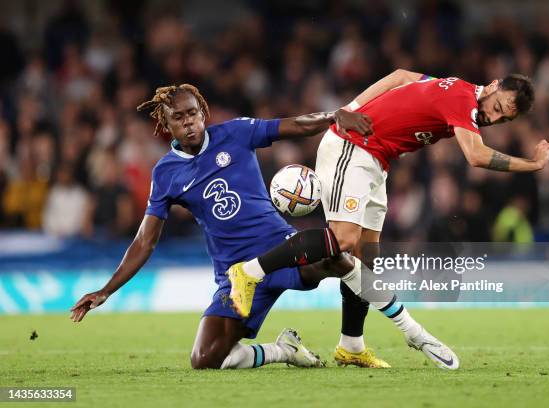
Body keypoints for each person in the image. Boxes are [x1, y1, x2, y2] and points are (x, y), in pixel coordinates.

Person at [228, 70, 549, 370]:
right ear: (492, 87)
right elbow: (475, 156)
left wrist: (353, 107)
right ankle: (249, 272)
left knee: (366, 260)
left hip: (377, 160)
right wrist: (532, 165)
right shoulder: (462, 99)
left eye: (503, 118)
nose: (493, 116)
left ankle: (351, 346)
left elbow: (402, 76)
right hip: (352, 148)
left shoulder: (453, 89)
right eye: (498, 106)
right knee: (343, 241)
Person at [70, 83, 375, 370]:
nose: (189, 122)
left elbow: (295, 124)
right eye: (179, 117)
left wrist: (333, 116)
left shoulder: (237, 132)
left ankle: (354, 343)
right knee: (204, 358)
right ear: (167, 126)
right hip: (236, 276)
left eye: (193, 113)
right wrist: (106, 290)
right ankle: (284, 350)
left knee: (340, 257)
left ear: (202, 113)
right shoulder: (165, 173)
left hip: (281, 250)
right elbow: (144, 241)